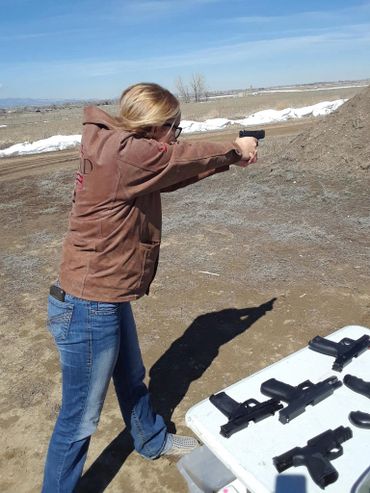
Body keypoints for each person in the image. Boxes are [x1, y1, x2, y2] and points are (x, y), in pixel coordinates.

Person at [42, 82, 257, 492]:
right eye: (174, 128)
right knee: (79, 419)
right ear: (156, 127)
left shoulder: (122, 152)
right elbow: (175, 158)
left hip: (106, 296)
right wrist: (234, 148)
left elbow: (169, 172)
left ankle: (150, 439)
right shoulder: (124, 153)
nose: (177, 136)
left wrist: (224, 163)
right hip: (89, 304)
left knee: (132, 376)